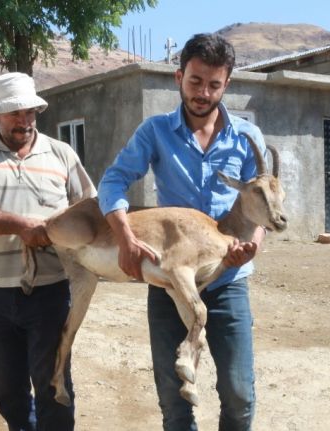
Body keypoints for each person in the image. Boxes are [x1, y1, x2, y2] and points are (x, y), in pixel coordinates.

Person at [97, 33, 267, 430]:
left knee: (239, 395)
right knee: (174, 403)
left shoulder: (247, 138)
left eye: (213, 85)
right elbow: (113, 181)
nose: (203, 93)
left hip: (228, 279)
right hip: (170, 280)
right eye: (195, 81)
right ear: (178, 77)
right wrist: (124, 235)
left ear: (227, 84)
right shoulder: (154, 132)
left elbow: (261, 206)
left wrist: (252, 244)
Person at [0, 72, 96, 431]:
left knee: (54, 385)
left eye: (30, 111)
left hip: (51, 291)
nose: (24, 120)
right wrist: (22, 226)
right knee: (7, 390)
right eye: (14, 112)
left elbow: (91, 211)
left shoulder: (61, 154)